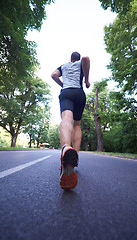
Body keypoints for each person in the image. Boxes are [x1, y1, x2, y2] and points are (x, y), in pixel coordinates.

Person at [51, 51, 90, 190]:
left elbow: (53, 75)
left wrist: (62, 85)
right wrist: (86, 80)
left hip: (66, 93)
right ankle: (75, 157)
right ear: (77, 59)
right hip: (79, 93)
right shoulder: (81, 63)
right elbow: (86, 58)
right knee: (77, 124)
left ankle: (66, 148)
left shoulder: (63, 66)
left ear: (70, 58)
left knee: (66, 119)